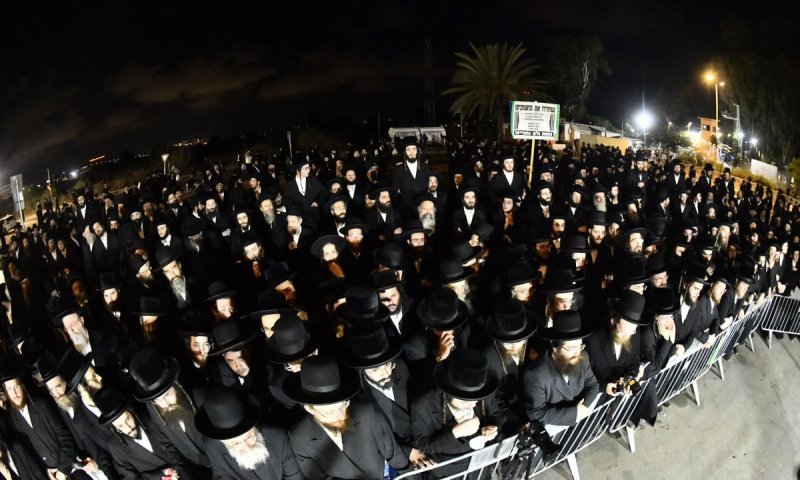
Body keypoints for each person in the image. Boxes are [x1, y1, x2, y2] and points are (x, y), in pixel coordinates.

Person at [284, 355, 409, 479]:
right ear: (309, 409)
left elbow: (393, 454)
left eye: (343, 406)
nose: (341, 416)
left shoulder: (365, 412)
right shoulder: (299, 437)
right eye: (329, 412)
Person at [195, 386, 303, 479]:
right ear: (223, 442)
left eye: (249, 437)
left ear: (254, 428)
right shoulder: (212, 446)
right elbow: (222, 476)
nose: (247, 447)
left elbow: (294, 476)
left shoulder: (277, 436)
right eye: (235, 443)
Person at [521, 310, 600, 426]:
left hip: (579, 423)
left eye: (580, 346)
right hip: (554, 428)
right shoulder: (536, 375)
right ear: (555, 347)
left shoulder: (582, 357)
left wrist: (583, 408)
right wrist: (575, 414)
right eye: (572, 348)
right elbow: (536, 414)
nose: (578, 353)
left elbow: (593, 386)